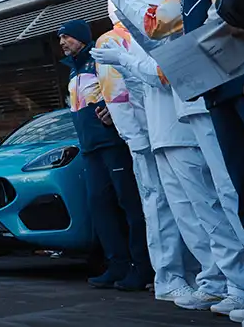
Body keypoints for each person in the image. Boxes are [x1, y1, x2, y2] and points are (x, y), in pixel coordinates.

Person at [101, 0, 244, 318]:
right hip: (189, 110)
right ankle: (230, 282)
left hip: (208, 102)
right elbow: (154, 44)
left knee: (231, 198)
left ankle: (242, 283)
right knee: (207, 207)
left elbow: (157, 37)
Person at [92, 6, 180, 295]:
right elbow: (116, 95)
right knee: (163, 205)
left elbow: (121, 93)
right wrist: (136, 137)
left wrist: (138, 137)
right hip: (152, 136)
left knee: (165, 205)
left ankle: (171, 275)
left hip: (156, 134)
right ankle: (168, 276)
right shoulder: (119, 40)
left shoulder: (127, 38)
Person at [57, 19, 151, 289]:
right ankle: (117, 265)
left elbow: (124, 88)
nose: (62, 42)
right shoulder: (73, 71)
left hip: (112, 144)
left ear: (81, 37)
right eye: (60, 38)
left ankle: (143, 267)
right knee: (100, 206)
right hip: (89, 149)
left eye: (67, 37)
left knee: (129, 203)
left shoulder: (100, 57)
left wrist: (114, 110)